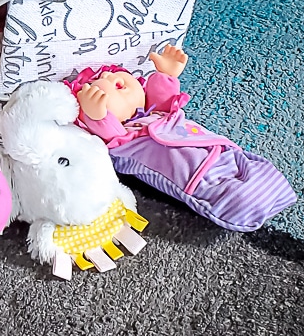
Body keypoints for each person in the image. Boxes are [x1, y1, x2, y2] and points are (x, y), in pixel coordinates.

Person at [67, 45, 296, 232]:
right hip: (199, 177)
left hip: (221, 152)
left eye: (114, 73)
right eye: (99, 84)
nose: (108, 75)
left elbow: (165, 102)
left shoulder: (158, 112)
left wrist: (165, 75)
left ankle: (274, 190)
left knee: (259, 171)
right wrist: (97, 116)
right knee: (237, 200)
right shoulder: (126, 141)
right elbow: (110, 138)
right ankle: (248, 207)